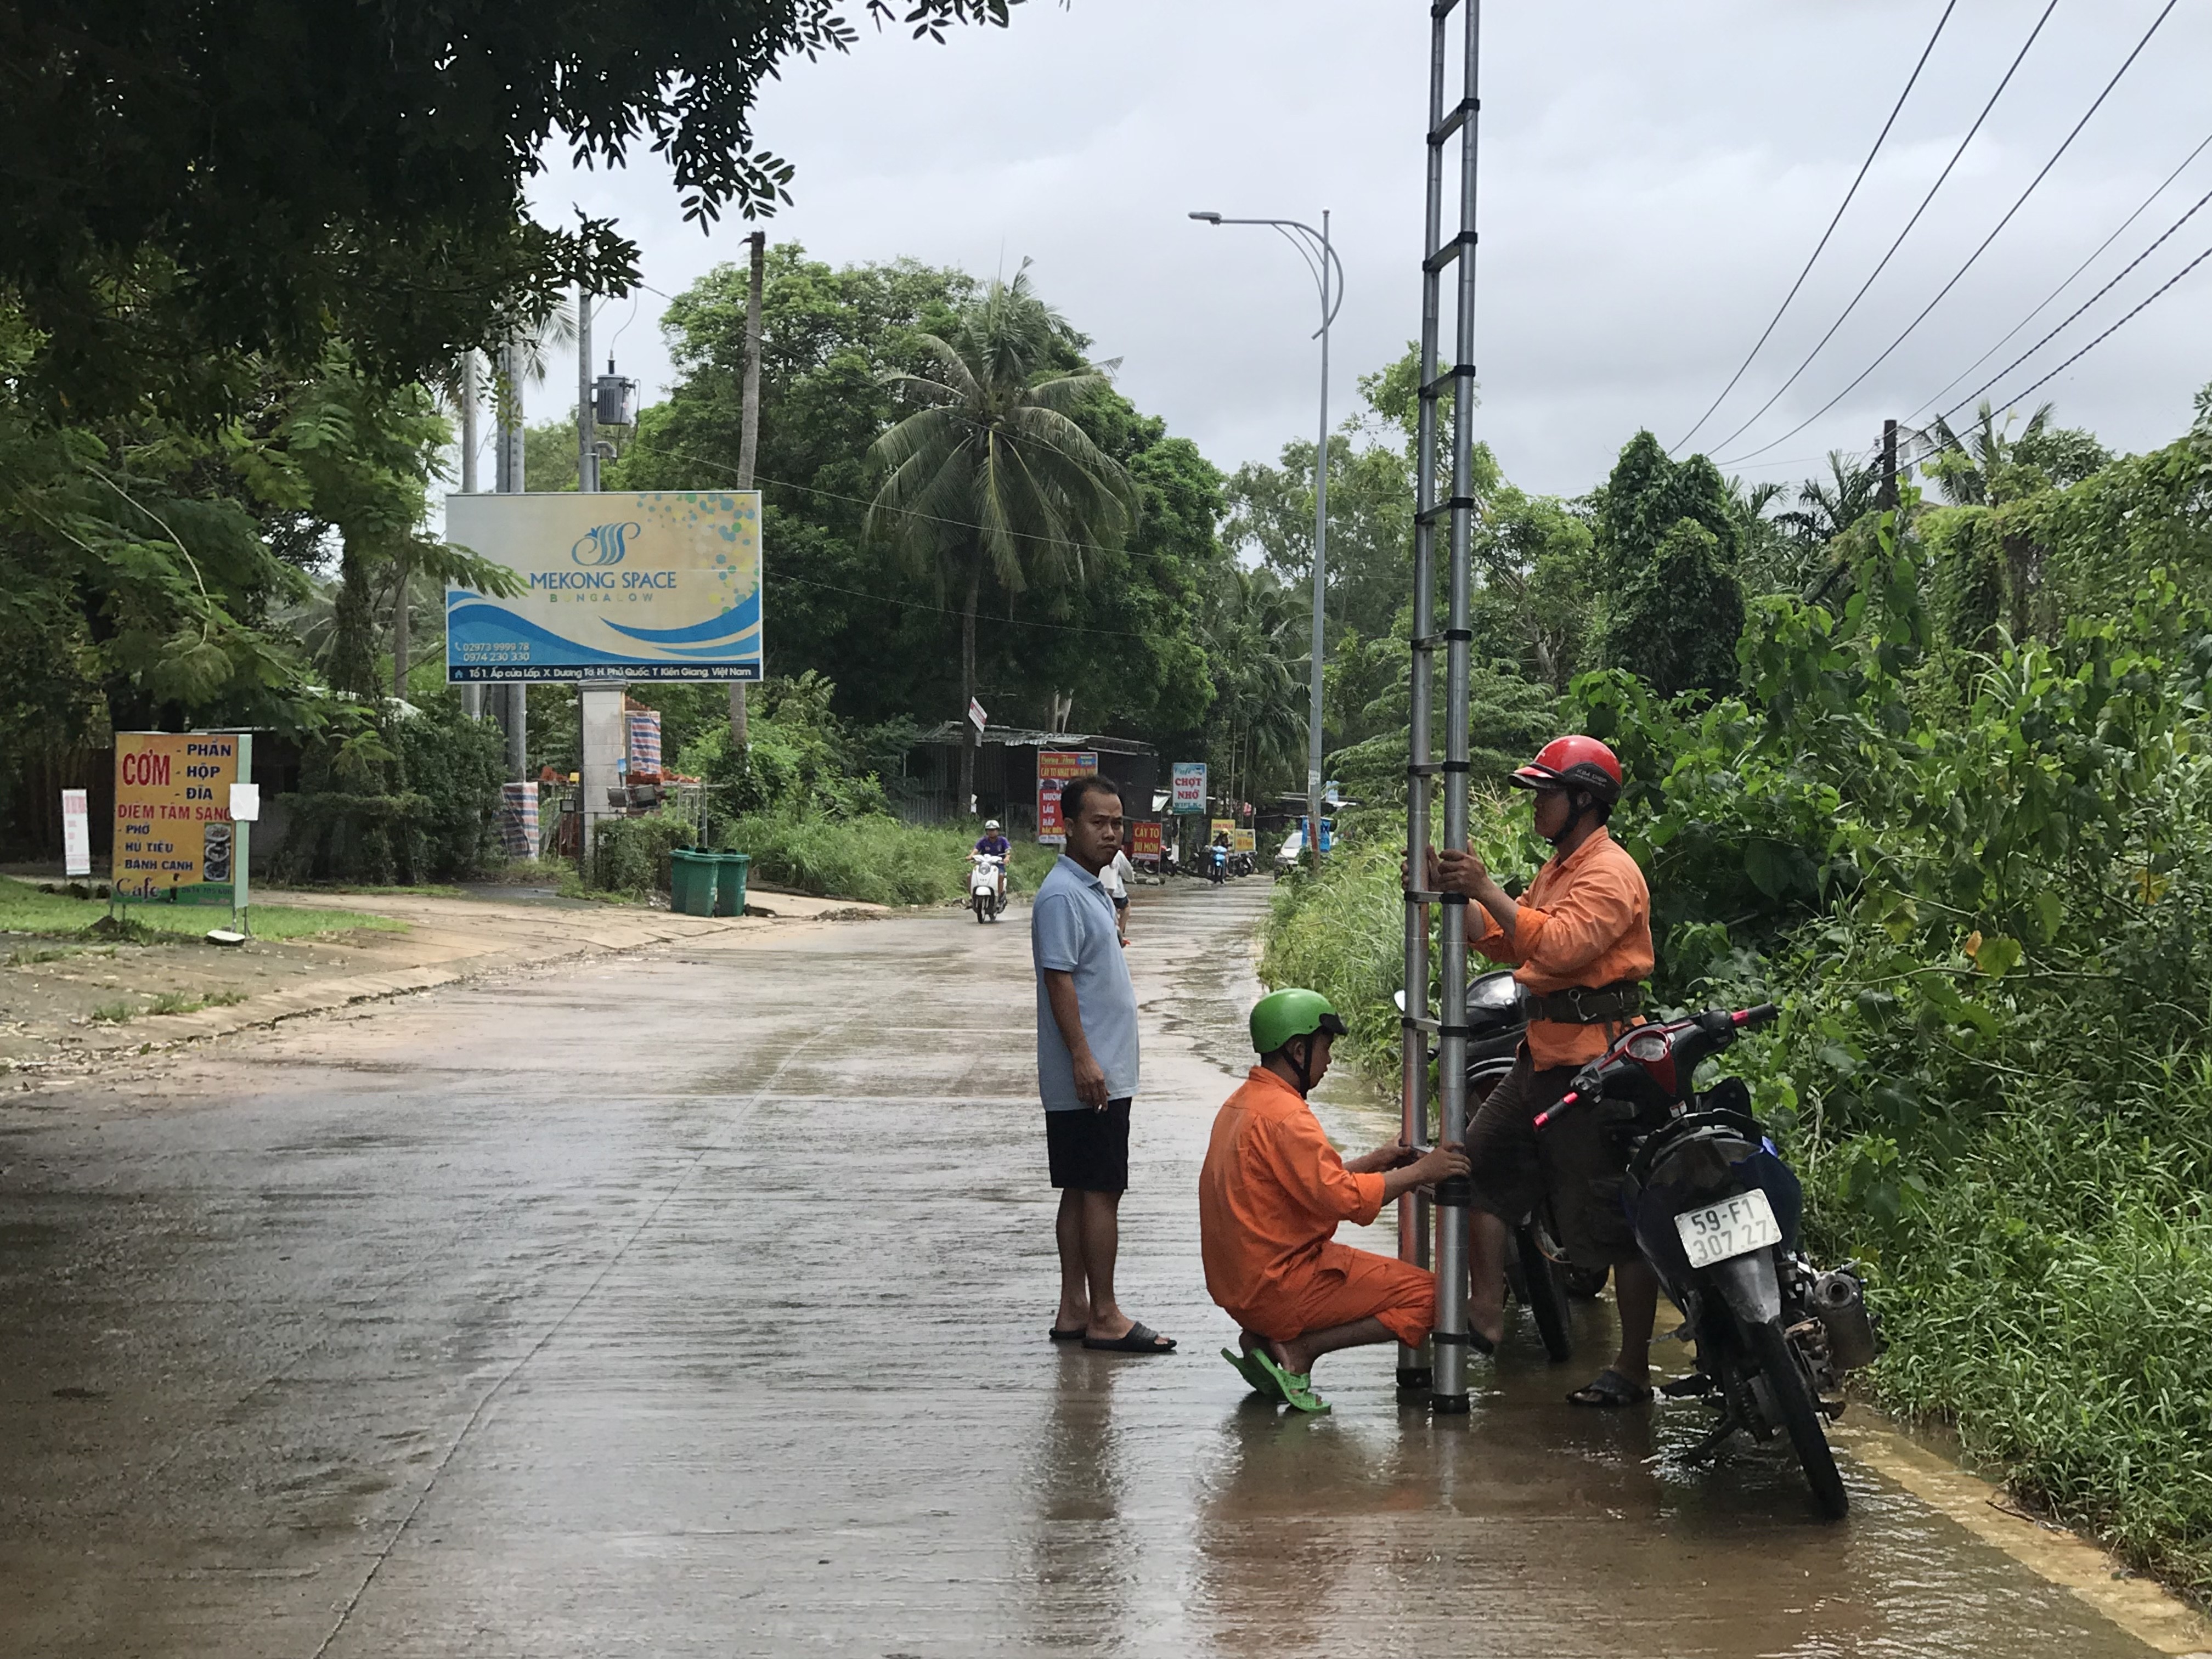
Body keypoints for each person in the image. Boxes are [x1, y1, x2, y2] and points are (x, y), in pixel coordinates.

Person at [1423, 735, 1658, 1408]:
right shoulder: (1562, 866)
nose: (1538, 805)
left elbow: (1559, 945)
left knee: (1614, 1220)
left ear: (1583, 799)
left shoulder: (1609, 872)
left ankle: (1634, 1368)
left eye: (1546, 794)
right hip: (1541, 1058)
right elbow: (1505, 936)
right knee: (1478, 1166)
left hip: (1595, 1067)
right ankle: (1487, 1311)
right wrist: (1460, 888)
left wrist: (1489, 889)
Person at [1200, 988, 1470, 1413]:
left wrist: (1377, 1162)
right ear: (1298, 1049)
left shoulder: (1243, 1105)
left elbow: (1305, 1183)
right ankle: (1302, 1347)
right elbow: (1342, 1200)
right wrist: (1421, 1172)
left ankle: (1262, 1336)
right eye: (1325, 1050)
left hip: (1239, 1286)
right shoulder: (1289, 1117)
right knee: (1438, 1297)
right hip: (1279, 1284)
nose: (1328, 1063)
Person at [1033, 774, 1174, 1354]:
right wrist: (1085, 1059)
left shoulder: (1093, 886)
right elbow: (1059, 980)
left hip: (1098, 1072)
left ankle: (1075, 1309)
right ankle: (1106, 1315)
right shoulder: (1064, 894)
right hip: (1092, 1075)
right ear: (1067, 826)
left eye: (1117, 823)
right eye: (1099, 822)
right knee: (1100, 1192)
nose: (1111, 833)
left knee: (1079, 1189)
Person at [1104, 838, 1136, 943]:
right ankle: (1120, 935)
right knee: (1127, 905)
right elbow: (1128, 874)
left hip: (1095, 891)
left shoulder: (1090, 852)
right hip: (1115, 893)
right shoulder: (1118, 855)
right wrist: (1131, 879)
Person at [974, 818, 1011, 904]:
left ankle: (999, 895)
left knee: (1001, 876)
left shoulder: (1003, 841)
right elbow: (976, 849)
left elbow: (1008, 850)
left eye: (993, 830)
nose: (991, 832)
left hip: (998, 864)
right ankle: (973, 897)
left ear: (997, 831)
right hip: (984, 865)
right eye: (989, 830)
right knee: (970, 876)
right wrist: (971, 856)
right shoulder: (983, 841)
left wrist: (1007, 858)